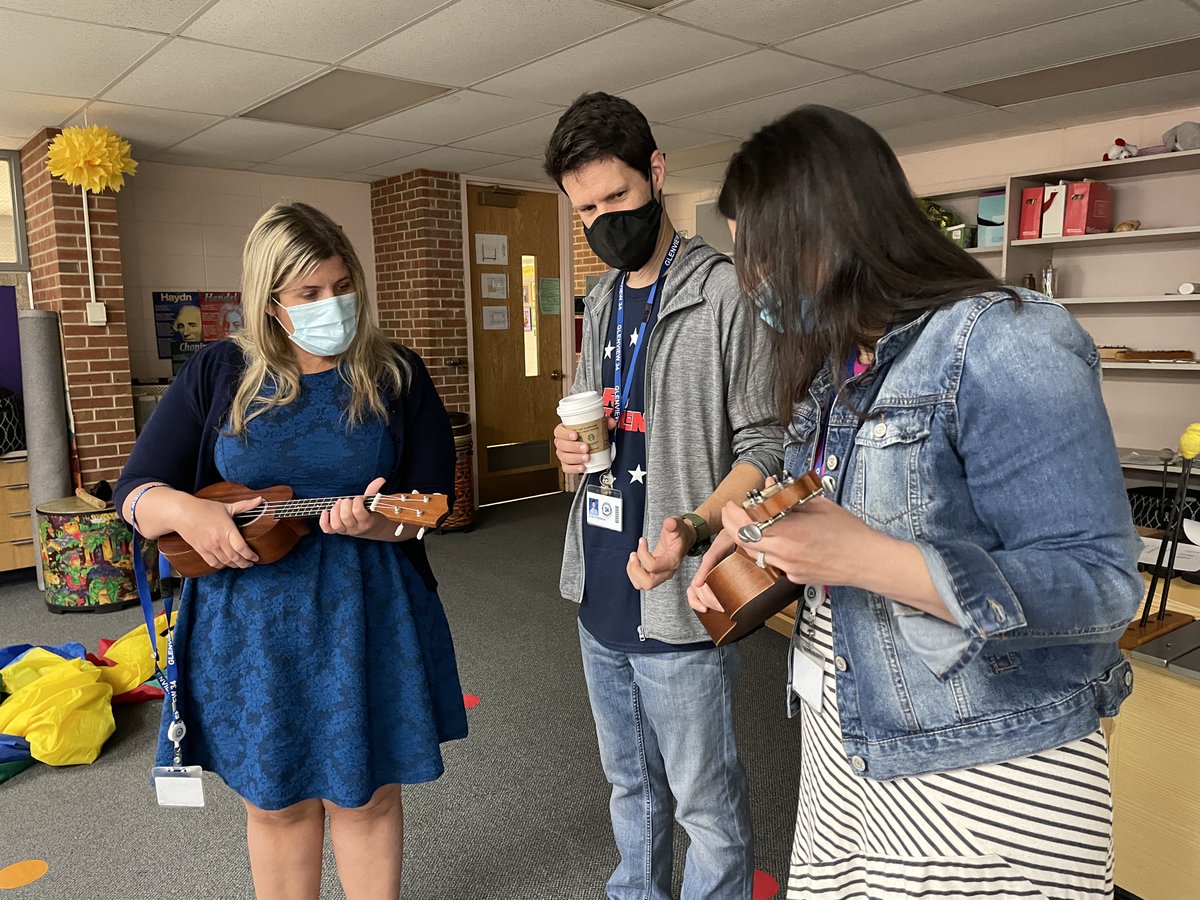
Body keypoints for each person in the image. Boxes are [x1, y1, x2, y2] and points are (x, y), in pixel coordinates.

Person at [690, 105, 1144, 899]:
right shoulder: (843, 373)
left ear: (833, 230)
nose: (752, 283)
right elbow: (844, 537)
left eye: (760, 256)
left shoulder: (1004, 340)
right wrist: (766, 550)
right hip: (849, 746)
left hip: (985, 771)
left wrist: (865, 556)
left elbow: (1101, 588)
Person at [115, 202, 466, 900]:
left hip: (363, 612)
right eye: (309, 294)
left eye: (342, 286)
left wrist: (376, 526)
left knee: (367, 794)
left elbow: (429, 502)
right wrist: (187, 509)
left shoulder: (395, 372)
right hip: (248, 623)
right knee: (276, 802)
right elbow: (135, 491)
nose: (331, 304)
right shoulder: (218, 370)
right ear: (270, 299)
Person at [545, 92, 784, 900]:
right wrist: (567, 451)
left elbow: (764, 448)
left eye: (616, 197)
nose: (605, 219)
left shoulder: (725, 293)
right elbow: (583, 432)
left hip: (680, 593)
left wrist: (689, 526)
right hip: (602, 590)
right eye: (586, 209)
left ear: (656, 171)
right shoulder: (604, 298)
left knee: (705, 806)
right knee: (629, 788)